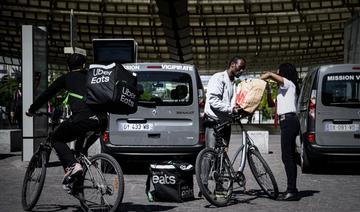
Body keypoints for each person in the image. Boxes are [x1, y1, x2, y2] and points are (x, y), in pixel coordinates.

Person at [26, 53, 108, 187]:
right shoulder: (93, 77)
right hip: (101, 121)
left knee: (56, 138)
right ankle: (77, 185)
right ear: (84, 65)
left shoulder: (66, 78)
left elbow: (46, 95)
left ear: (68, 67)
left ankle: (72, 166)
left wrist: (31, 110)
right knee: (80, 150)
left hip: (83, 120)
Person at [260, 63, 300, 201]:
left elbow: (270, 75)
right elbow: (272, 105)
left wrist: (259, 80)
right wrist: (269, 92)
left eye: (279, 71)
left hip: (289, 121)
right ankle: (292, 189)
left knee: (287, 157)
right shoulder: (283, 89)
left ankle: (292, 191)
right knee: (290, 157)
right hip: (287, 122)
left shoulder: (289, 84)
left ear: (284, 72)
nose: (277, 73)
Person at [204, 56, 246, 149]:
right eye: (240, 67)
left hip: (225, 123)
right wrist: (231, 109)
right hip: (214, 123)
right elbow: (213, 100)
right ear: (232, 65)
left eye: (243, 69)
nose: (242, 71)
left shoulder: (235, 83)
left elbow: (232, 103)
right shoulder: (219, 78)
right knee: (211, 154)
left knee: (223, 152)